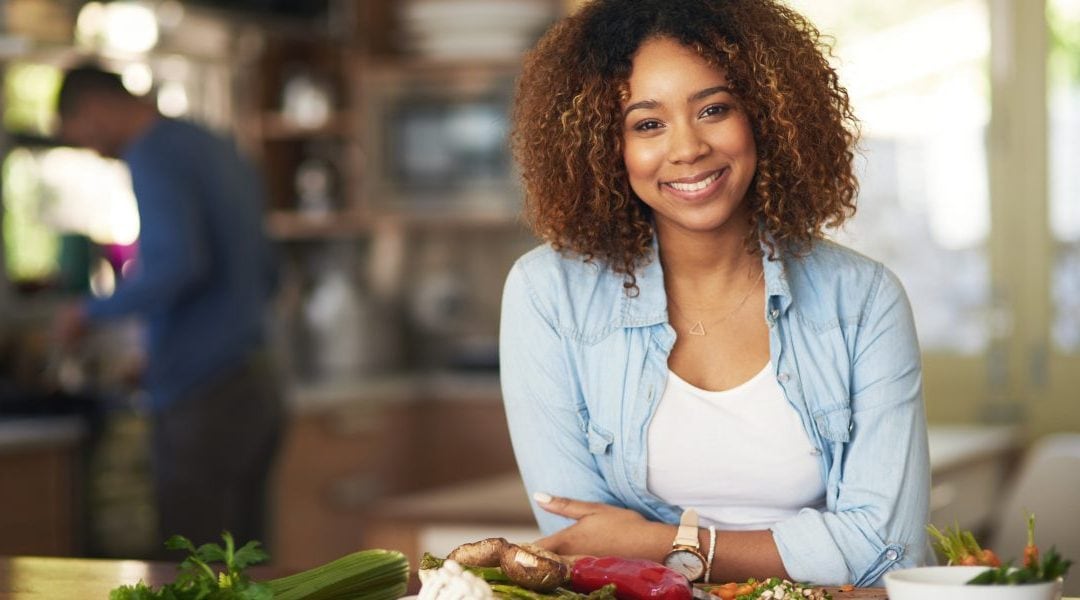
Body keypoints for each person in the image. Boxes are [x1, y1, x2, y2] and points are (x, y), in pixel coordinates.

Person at [499, 0, 930, 588]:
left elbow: (886, 548)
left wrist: (664, 543)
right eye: (647, 123)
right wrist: (803, 546)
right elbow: (581, 545)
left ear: (768, 116)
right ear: (606, 147)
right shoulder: (549, 295)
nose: (687, 148)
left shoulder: (862, 299)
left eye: (714, 109)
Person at [52, 63, 284, 551]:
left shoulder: (153, 152)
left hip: (205, 400)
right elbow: (266, 272)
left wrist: (87, 313)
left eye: (83, 139)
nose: (94, 152)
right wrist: (166, 351)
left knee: (195, 566)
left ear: (94, 110)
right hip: (258, 386)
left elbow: (177, 263)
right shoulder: (213, 144)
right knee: (251, 567)